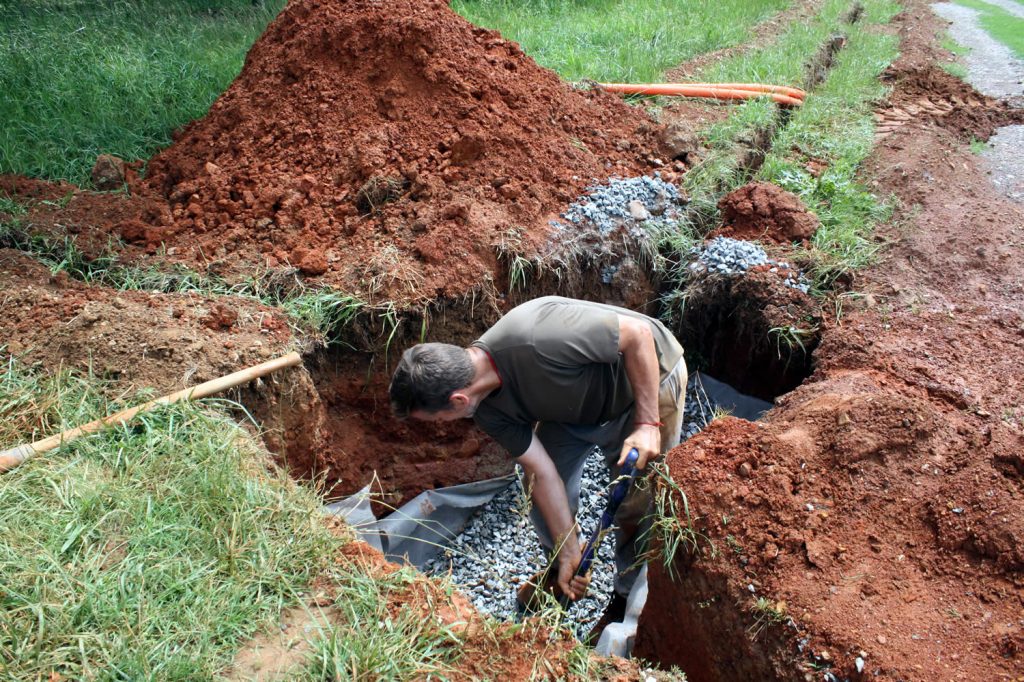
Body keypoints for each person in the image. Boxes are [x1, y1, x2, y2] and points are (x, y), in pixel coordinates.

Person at [389, 296, 686, 624]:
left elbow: (637, 335)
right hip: (573, 409)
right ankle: (561, 568)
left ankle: (624, 599)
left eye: (439, 420)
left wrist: (646, 425)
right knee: (534, 488)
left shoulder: (536, 338)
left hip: (644, 381)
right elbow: (542, 471)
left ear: (458, 399)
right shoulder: (488, 411)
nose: (444, 427)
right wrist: (569, 548)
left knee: (637, 503)